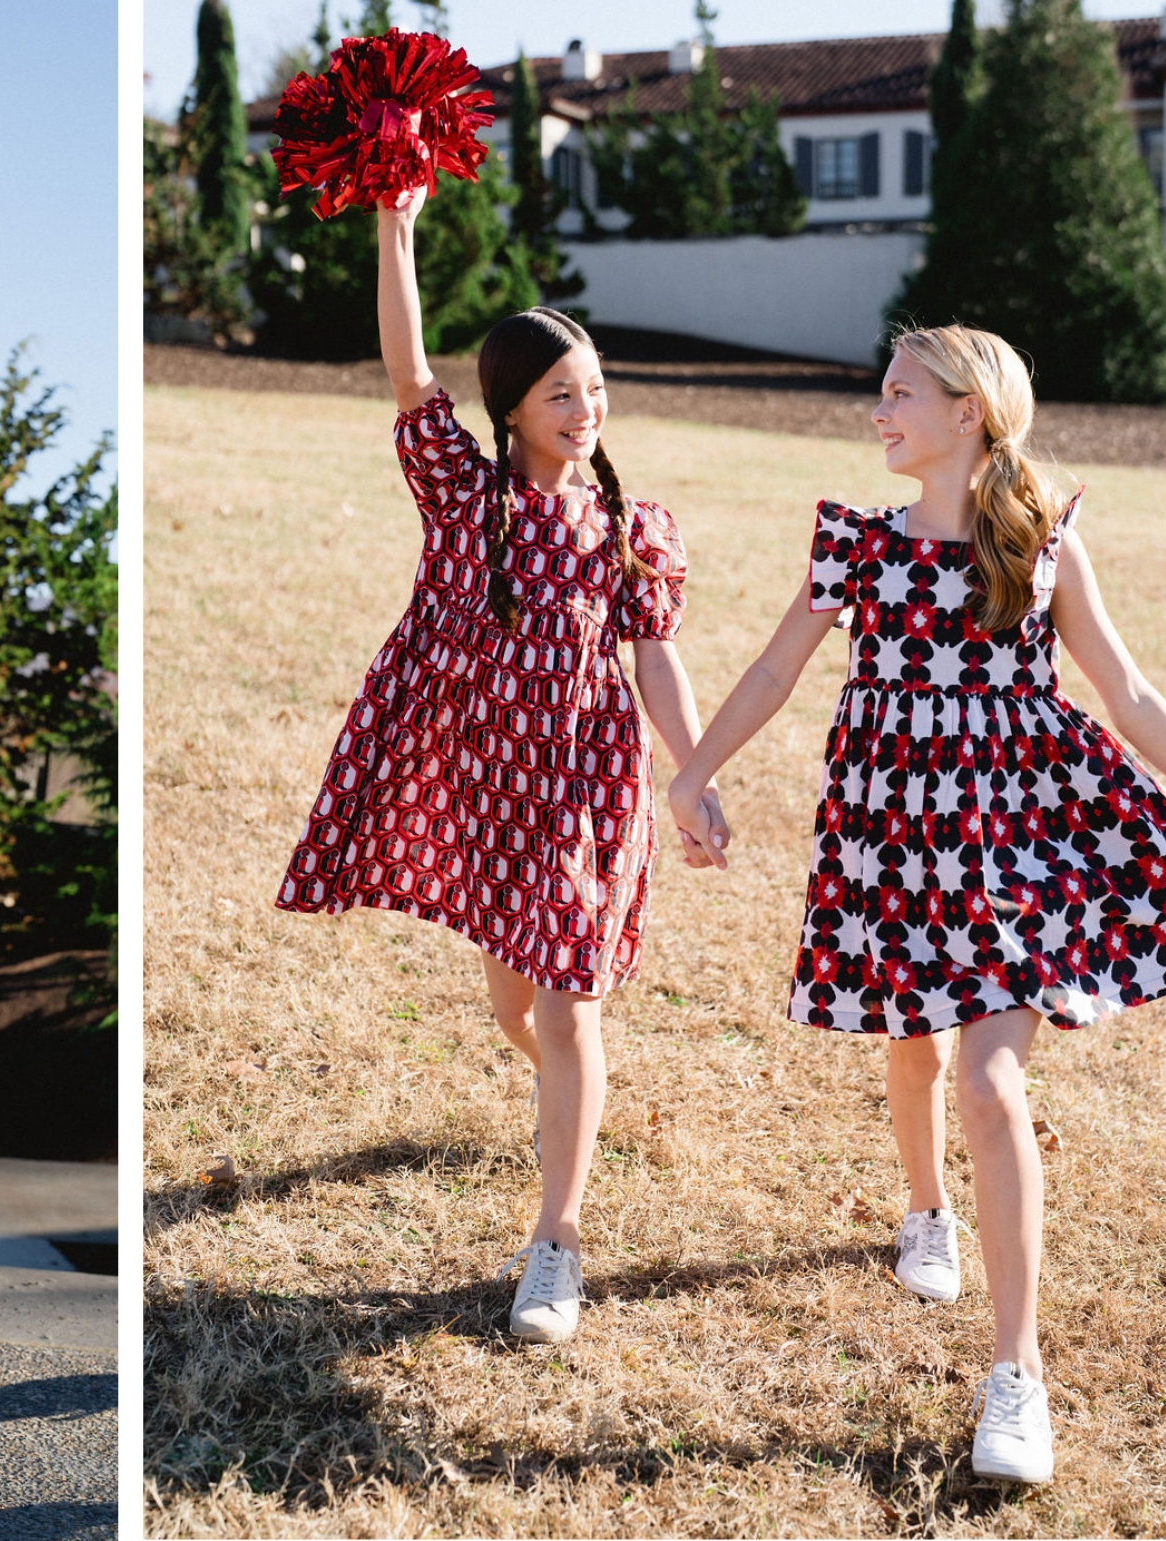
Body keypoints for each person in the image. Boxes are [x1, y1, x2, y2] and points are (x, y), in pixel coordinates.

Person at [667, 324, 1166, 1484]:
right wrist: (692, 770)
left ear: (966, 410)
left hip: (1018, 836)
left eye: (898, 391)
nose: (878, 408)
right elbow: (772, 668)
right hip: (890, 834)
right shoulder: (855, 545)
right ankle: (926, 1209)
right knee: (911, 1044)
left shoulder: (1039, 536)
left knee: (985, 1075)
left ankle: (1015, 1370)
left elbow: (1124, 689)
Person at [274, 182, 727, 1346]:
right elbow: (406, 370)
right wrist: (394, 227)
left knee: (566, 1012)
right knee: (512, 1008)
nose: (585, 409)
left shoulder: (628, 526)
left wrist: (691, 773)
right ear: (512, 408)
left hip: (586, 789)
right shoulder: (465, 497)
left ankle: (554, 1242)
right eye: (560, 392)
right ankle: (572, 1098)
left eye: (594, 388)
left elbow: (655, 660)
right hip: (490, 791)